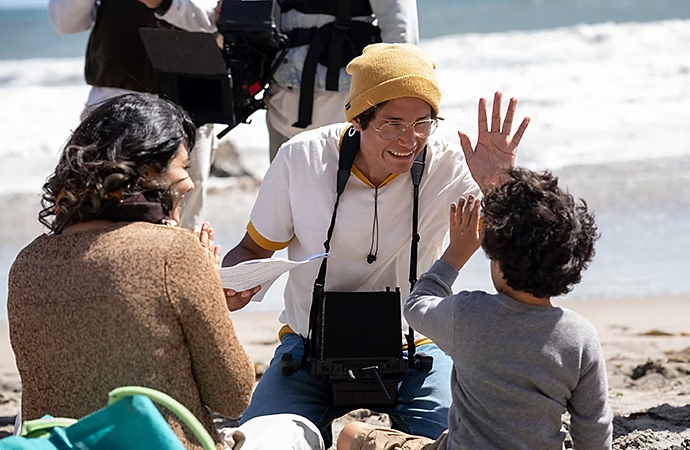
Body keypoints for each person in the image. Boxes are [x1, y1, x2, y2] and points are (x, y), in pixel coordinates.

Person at [221, 42, 530, 447]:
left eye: (423, 122)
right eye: (393, 123)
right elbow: (252, 250)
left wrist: (500, 188)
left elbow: (519, 259)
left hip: (413, 341)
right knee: (263, 442)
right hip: (310, 343)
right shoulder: (302, 158)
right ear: (358, 119)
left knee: (462, 441)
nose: (411, 138)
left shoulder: (453, 162)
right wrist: (229, 284)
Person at [7, 93, 324, 450]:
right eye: (183, 167)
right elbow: (234, 397)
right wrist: (205, 284)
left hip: (64, 445)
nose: (189, 183)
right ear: (147, 171)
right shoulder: (176, 254)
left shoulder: (27, 262)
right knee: (294, 427)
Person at [337, 168, 613, 450]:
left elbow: (416, 306)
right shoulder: (580, 336)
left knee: (351, 433)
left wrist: (456, 254)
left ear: (499, 262)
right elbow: (594, 426)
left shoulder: (469, 314)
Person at [47, 0, 220, 230]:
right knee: (93, 220)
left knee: (182, 225)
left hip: (187, 104)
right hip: (113, 102)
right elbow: (65, 22)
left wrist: (163, 3)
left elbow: (216, 17)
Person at [265, 0, 419, 161]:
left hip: (343, 104)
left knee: (345, 181)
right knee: (284, 181)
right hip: (283, 100)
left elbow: (400, 38)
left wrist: (395, 104)